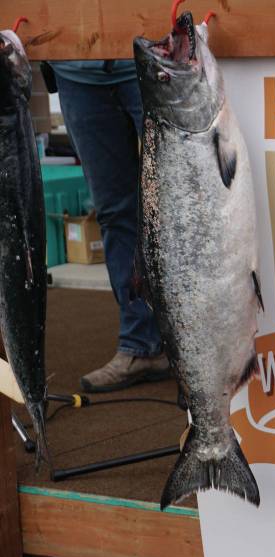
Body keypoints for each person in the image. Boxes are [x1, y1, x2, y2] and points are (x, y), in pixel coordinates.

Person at [48, 60, 170, 391]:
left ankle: (202, 347)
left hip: (150, 61)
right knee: (115, 211)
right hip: (76, 71)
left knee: (180, 208)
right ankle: (141, 344)